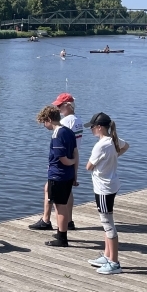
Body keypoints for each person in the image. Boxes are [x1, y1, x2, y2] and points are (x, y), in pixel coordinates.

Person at [28, 93, 83, 231]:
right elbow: (76, 149)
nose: (58, 108)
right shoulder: (78, 120)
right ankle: (68, 221)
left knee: (54, 196)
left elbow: (62, 150)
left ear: (68, 105)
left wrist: (64, 161)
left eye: (60, 105)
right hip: (70, 164)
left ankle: (48, 221)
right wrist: (75, 168)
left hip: (61, 167)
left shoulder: (64, 124)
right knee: (66, 193)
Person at [85, 113, 130, 274]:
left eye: (92, 127)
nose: (91, 130)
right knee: (106, 223)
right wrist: (114, 157)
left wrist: (108, 159)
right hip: (112, 184)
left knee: (108, 224)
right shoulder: (113, 139)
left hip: (104, 188)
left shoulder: (101, 145)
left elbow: (88, 166)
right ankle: (107, 255)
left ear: (99, 127)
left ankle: (114, 262)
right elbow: (126, 146)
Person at [34, 105, 77, 247]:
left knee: (60, 207)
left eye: (44, 122)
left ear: (49, 119)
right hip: (68, 175)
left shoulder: (57, 134)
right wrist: (75, 173)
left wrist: (70, 162)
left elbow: (62, 158)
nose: (44, 126)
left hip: (58, 176)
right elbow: (76, 152)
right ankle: (61, 233)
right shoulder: (69, 132)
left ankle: (62, 238)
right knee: (62, 205)